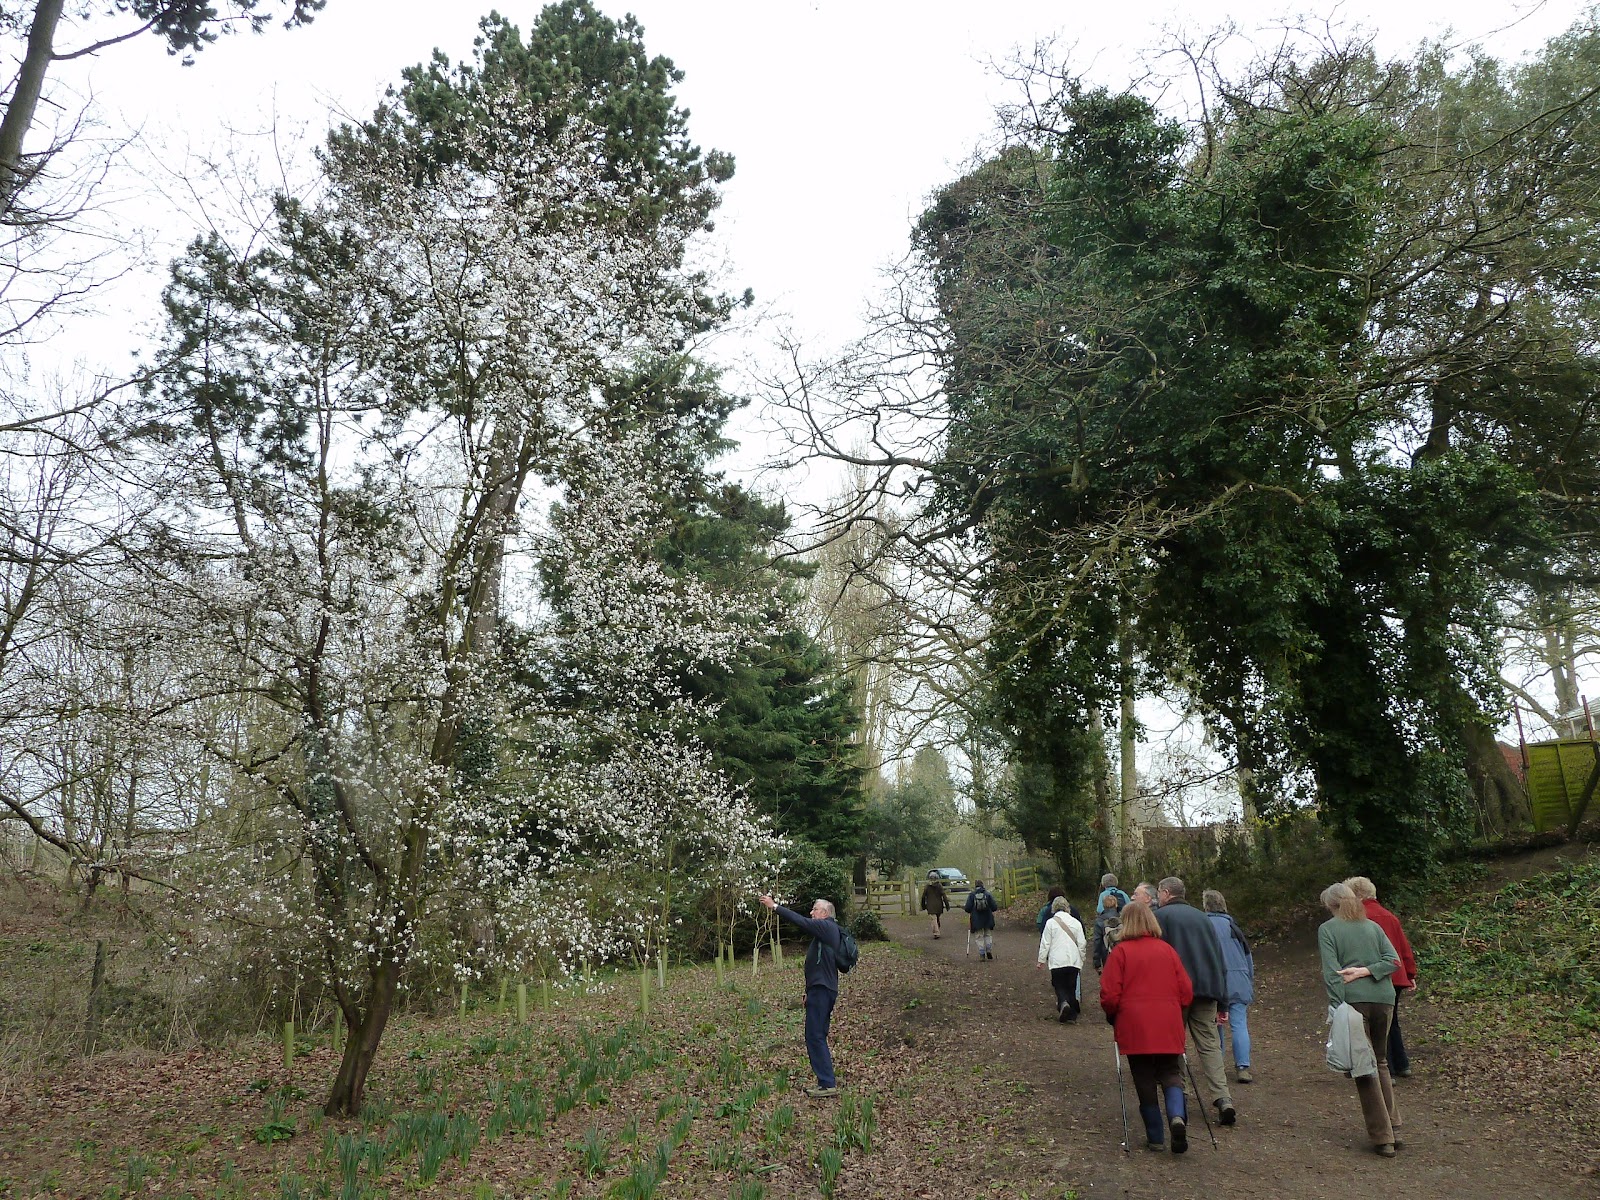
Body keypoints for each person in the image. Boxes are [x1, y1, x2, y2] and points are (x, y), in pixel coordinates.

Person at [1101, 901, 1194, 1153]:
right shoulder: (1168, 951)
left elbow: (1109, 994)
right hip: (1167, 1021)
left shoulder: (1120, 953)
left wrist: (1113, 1015)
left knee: (1143, 1076)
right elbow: (1186, 991)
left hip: (1135, 1024)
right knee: (1170, 1071)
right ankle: (1176, 1116)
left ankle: (1155, 1136)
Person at [1318, 881, 1402, 1156]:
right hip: (1384, 999)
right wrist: (1369, 970)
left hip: (1352, 1002)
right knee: (1381, 1061)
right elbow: (1393, 961)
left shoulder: (1328, 929)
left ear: (1331, 906)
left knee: (1362, 1067)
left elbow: (1332, 974)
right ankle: (1393, 1124)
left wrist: (1336, 1005)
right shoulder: (1373, 927)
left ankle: (1383, 1137)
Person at [1155, 876, 1236, 1126]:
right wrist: (1222, 999)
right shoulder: (1204, 918)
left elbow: (1157, 957)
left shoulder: (1161, 918)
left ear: (1166, 893)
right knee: (1209, 1045)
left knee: (1174, 1044)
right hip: (1207, 989)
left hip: (1175, 992)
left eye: (1159, 892)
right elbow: (1218, 958)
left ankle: (1180, 1095)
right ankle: (1223, 1098)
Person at [759, 892, 844, 1098]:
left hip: (823, 990)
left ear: (824, 913)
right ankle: (826, 1081)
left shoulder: (826, 927)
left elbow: (800, 921)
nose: (811, 912)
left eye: (814, 909)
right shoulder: (826, 931)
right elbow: (817, 965)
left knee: (814, 1036)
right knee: (817, 1035)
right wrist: (808, 992)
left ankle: (827, 1083)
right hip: (820, 989)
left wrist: (775, 907)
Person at [1344, 876, 1418, 1077]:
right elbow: (1403, 948)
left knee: (1374, 1024)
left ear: (1355, 896)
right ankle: (1402, 1064)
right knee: (1392, 1021)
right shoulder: (1390, 916)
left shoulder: (1358, 919)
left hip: (1371, 976)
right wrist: (1410, 973)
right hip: (1396, 976)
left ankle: (1386, 1069)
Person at [1203, 889, 1256, 1084]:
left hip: (1214, 981)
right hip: (1239, 979)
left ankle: (1218, 1065)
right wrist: (1249, 979)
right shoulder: (1233, 926)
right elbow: (1247, 955)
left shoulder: (1204, 925)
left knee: (1214, 1023)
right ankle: (1243, 1066)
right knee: (1239, 1024)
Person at [1036, 896, 1087, 1022]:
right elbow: (1082, 943)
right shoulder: (1076, 923)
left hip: (1057, 960)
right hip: (1073, 960)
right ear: (1067, 908)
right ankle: (1071, 1014)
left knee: (1059, 984)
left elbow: (1045, 943)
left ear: (1054, 908)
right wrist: (1082, 958)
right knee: (1071, 986)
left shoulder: (1050, 923)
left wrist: (1041, 960)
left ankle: (1063, 1003)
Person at [965, 879, 997, 959]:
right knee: (987, 935)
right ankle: (989, 950)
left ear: (975, 886)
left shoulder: (972, 895)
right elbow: (994, 907)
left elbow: (967, 908)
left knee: (979, 937)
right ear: (982, 885)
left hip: (977, 920)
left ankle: (982, 954)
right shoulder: (987, 894)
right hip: (987, 918)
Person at [1093, 892, 1123, 969]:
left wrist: (1096, 961)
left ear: (1103, 906)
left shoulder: (1099, 920)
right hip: (1122, 951)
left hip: (1106, 953)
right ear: (1116, 904)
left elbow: (1097, 941)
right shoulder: (1122, 918)